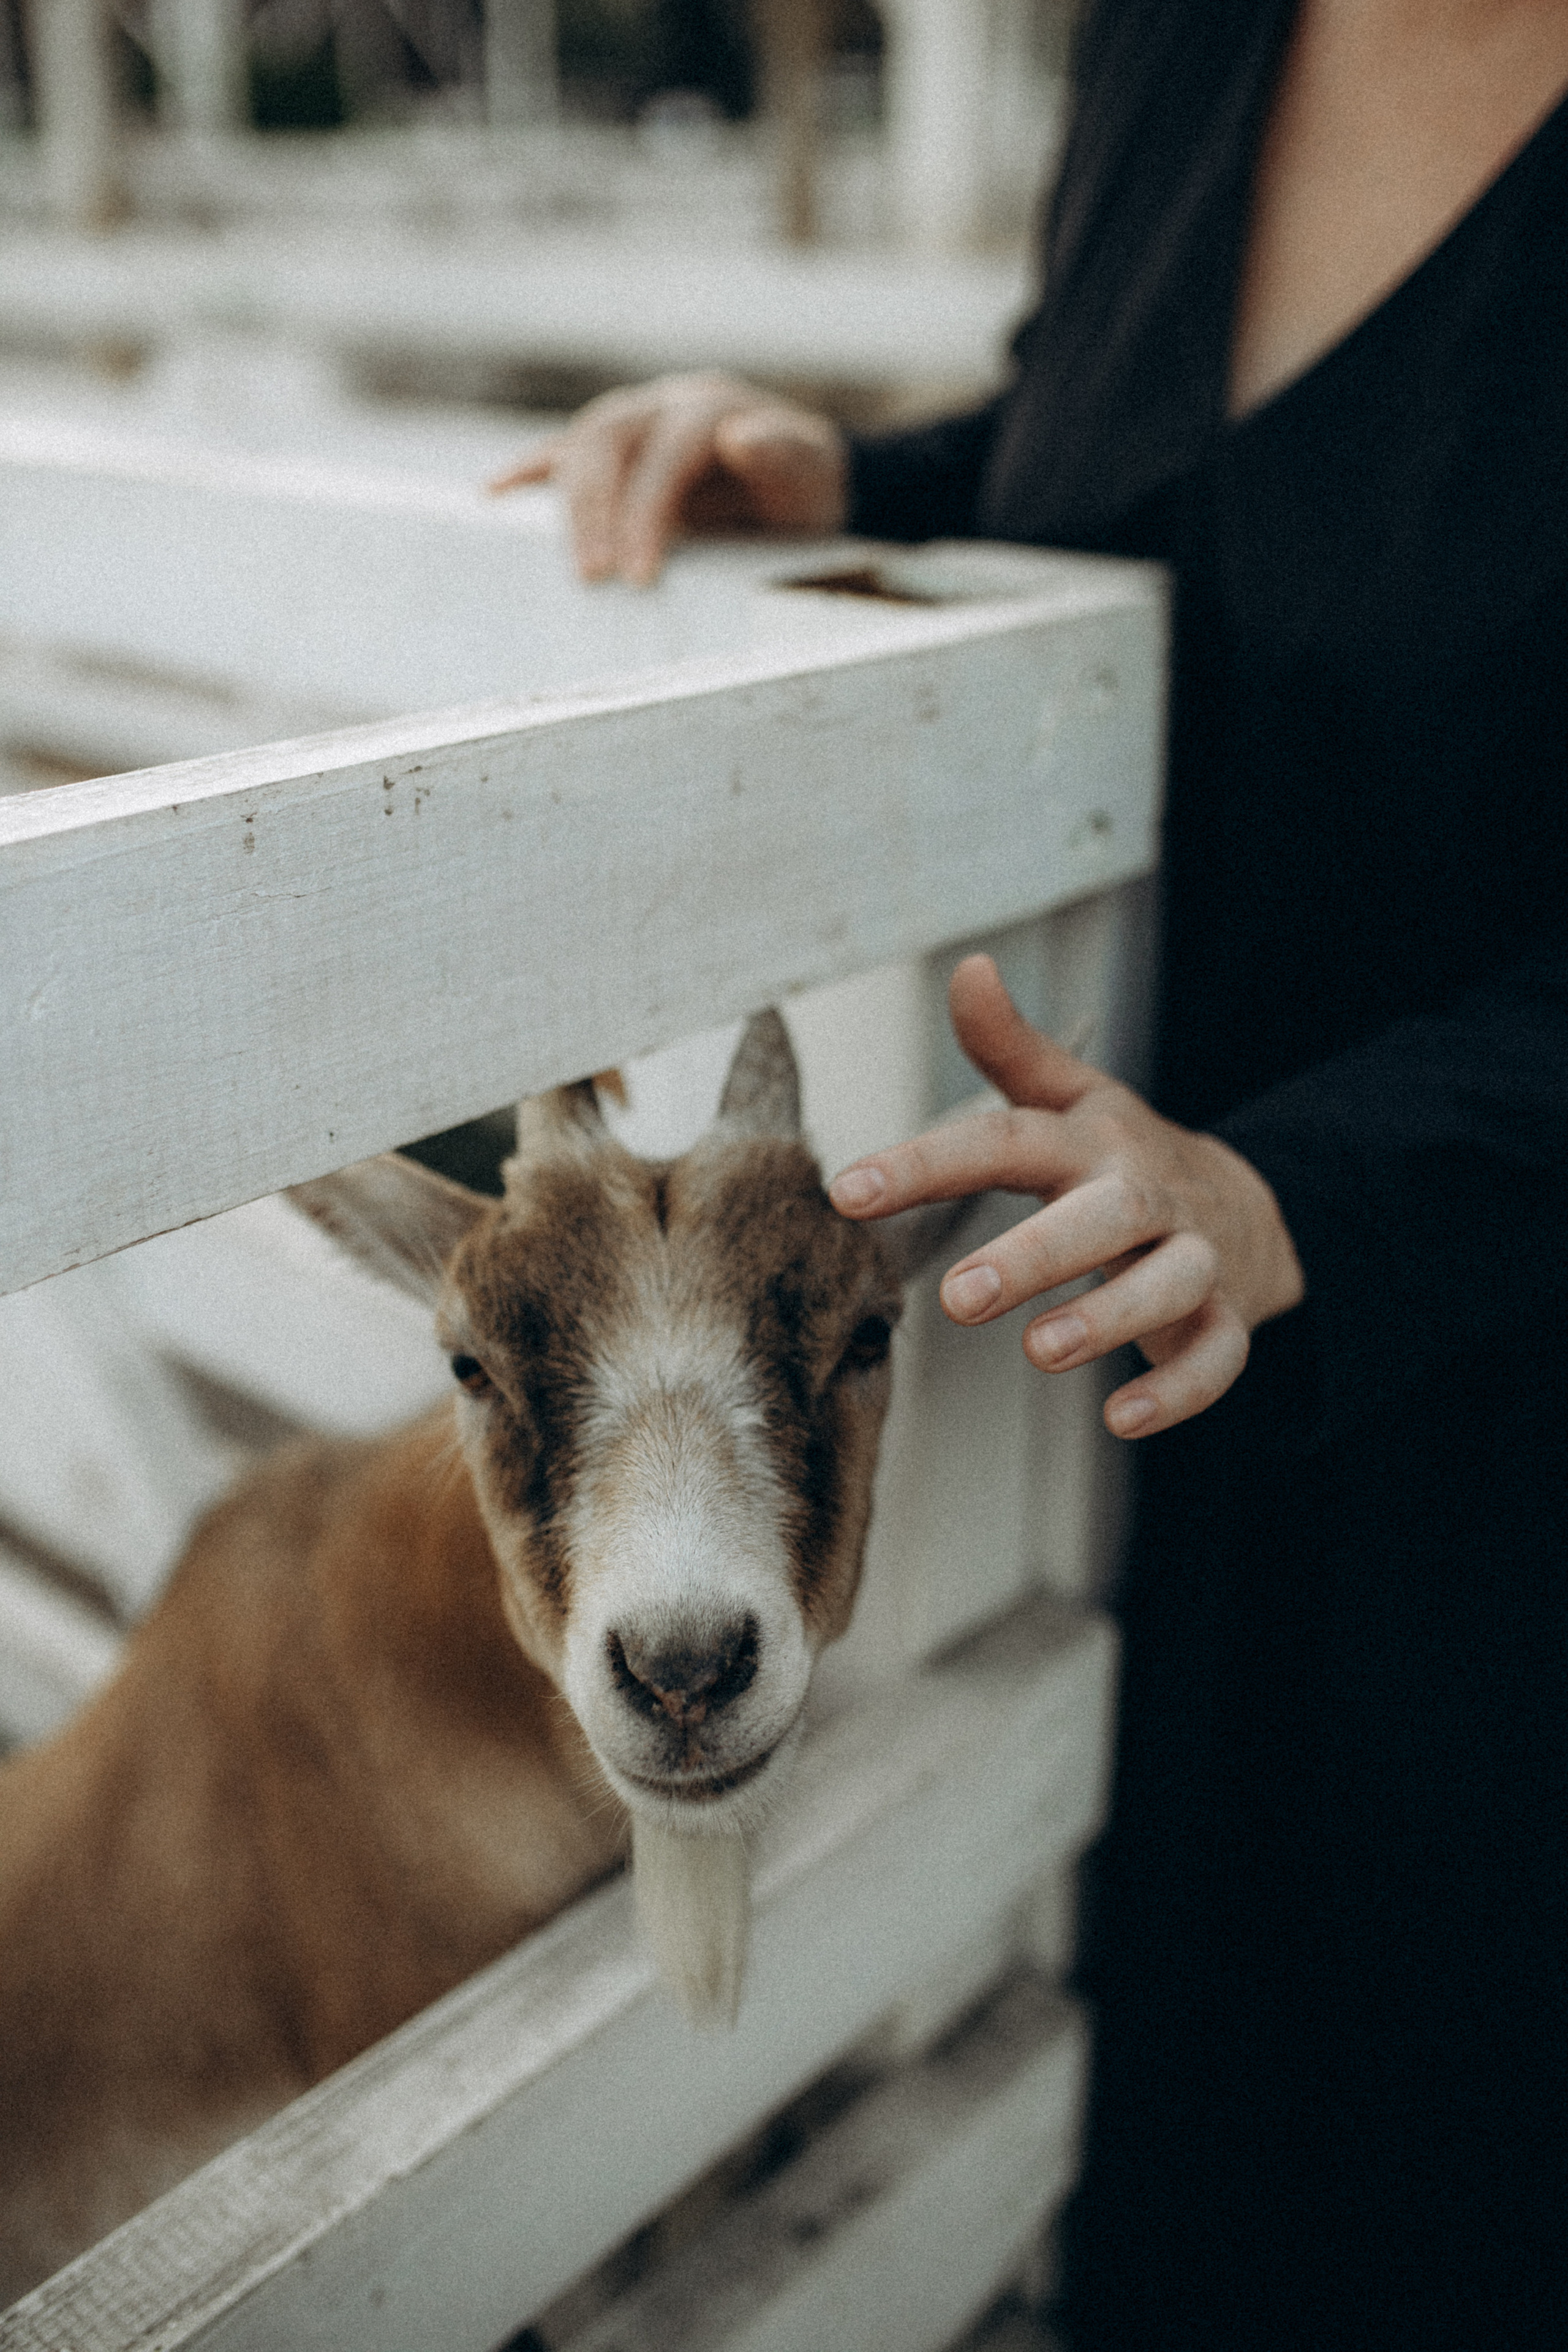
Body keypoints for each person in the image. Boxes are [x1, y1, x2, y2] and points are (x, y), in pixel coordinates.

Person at [499, 4, 1568, 2343]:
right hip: (1085, 1393)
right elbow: (1136, 461)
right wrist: (858, 479)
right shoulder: (1181, 25)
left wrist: (1307, 1192)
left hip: (1478, 1440)